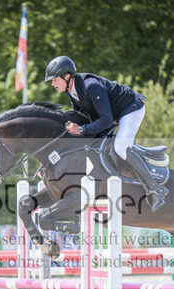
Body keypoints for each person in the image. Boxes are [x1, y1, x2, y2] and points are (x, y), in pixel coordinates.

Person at [45, 55, 163, 211]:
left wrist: (81, 130)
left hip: (130, 109)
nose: (52, 84)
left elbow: (106, 121)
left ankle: (155, 189)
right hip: (112, 115)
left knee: (120, 147)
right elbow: (83, 116)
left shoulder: (90, 86)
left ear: (67, 76)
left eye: (55, 80)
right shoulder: (71, 90)